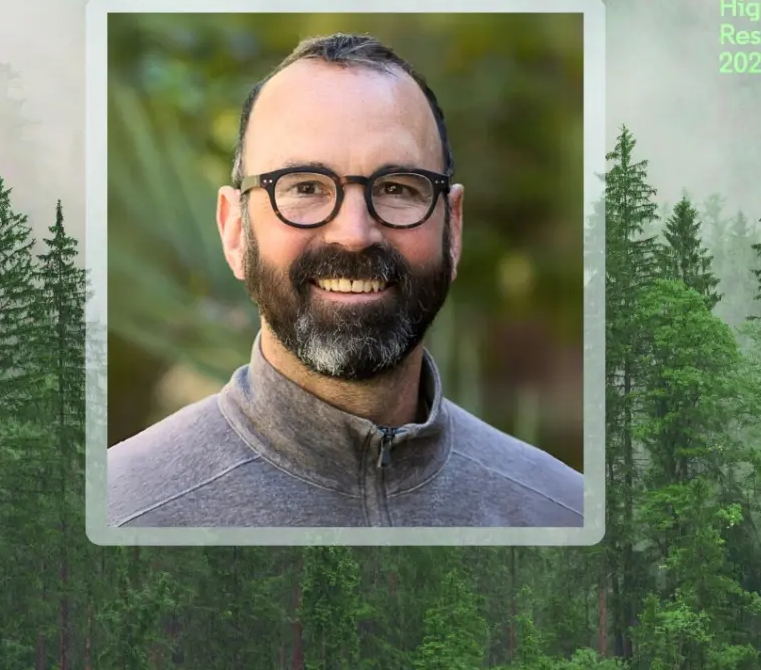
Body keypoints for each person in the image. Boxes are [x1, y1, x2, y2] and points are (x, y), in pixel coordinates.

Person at [108, 32, 583, 528]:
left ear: (453, 227)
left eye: (397, 188)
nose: (354, 234)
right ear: (234, 231)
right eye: (304, 187)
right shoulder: (120, 515)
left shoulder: (563, 514)